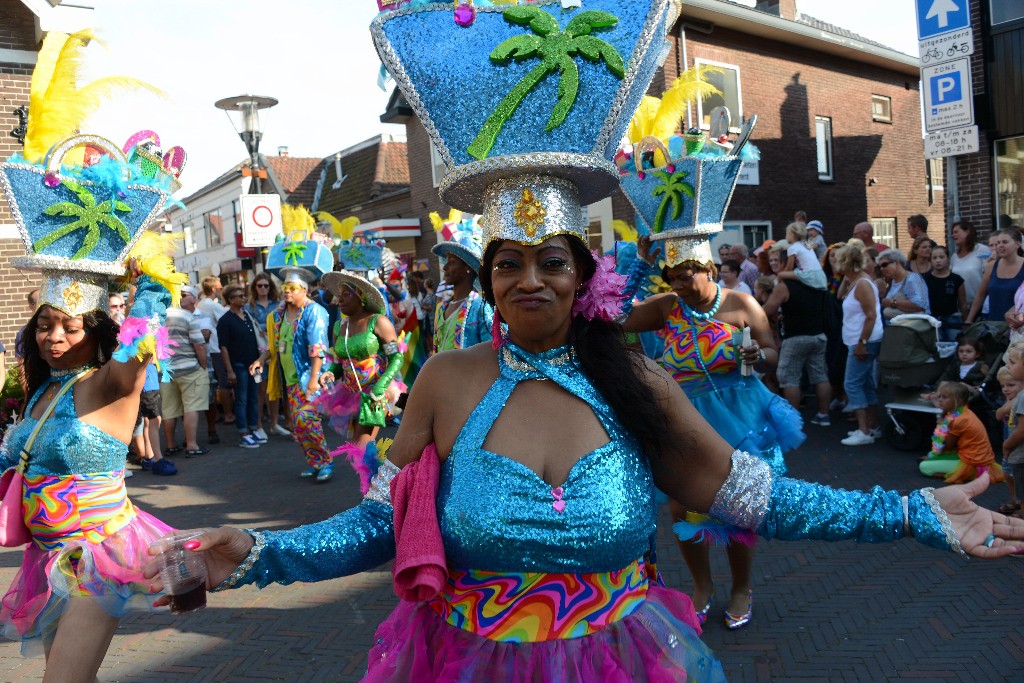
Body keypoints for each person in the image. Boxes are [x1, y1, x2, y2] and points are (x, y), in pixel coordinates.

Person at [624, 235, 801, 631]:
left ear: (710, 271)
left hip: (739, 418)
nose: (680, 287)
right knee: (682, 508)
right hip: (684, 421)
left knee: (736, 508)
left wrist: (757, 356)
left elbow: (772, 352)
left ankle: (741, 588)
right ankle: (701, 586)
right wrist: (639, 264)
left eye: (687, 277)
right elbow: (615, 316)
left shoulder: (741, 304)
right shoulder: (668, 308)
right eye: (673, 280)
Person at [315, 271, 404, 490]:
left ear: (361, 297)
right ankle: (381, 488)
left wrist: (381, 387)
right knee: (362, 446)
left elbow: (396, 357)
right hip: (349, 394)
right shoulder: (340, 327)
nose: (340, 299)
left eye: (346, 295)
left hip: (376, 393)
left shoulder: (379, 322)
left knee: (361, 443)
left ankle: (377, 489)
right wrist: (330, 373)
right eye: (339, 295)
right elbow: (339, 361)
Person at [248, 268, 331, 480]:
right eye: (285, 287)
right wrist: (261, 360)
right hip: (290, 380)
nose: (287, 292)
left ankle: (325, 463)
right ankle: (315, 462)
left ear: (305, 290)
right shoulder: (278, 315)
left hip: (310, 377)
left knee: (306, 420)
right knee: (298, 426)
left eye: (292, 288)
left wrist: (313, 380)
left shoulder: (314, 312)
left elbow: (317, 349)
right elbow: (275, 346)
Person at [762, 274, 832, 426]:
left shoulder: (785, 286)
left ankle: (792, 421)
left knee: (789, 378)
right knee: (820, 376)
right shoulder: (816, 281)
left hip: (795, 337)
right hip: (818, 335)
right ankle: (824, 415)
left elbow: (768, 309)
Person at [837, 244, 884, 446]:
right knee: (865, 384)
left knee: (852, 384)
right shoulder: (856, 281)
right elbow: (840, 296)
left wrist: (861, 342)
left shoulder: (863, 283)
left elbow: (871, 315)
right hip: (859, 340)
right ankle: (873, 427)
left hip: (863, 341)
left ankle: (864, 430)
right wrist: (847, 278)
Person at [160, 286, 210, 458]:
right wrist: (202, 365)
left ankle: (170, 445)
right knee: (192, 407)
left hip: (167, 370)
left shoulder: (158, 316)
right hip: (189, 368)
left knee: (169, 409)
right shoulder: (186, 316)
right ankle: (191, 445)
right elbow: (199, 344)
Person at [921, 381, 1005, 484]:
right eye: (940, 397)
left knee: (924, 467)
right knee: (929, 459)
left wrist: (941, 423)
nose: (940, 400)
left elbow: (948, 446)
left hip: (973, 462)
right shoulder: (961, 412)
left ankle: (967, 474)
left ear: (958, 401)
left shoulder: (959, 420)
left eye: (945, 397)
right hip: (967, 455)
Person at [218, 284, 263, 449]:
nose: (243, 298)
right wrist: (229, 370)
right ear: (231, 300)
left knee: (253, 397)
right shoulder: (225, 321)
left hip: (253, 363)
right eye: (239, 296)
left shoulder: (247, 316)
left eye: (243, 296)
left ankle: (253, 429)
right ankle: (243, 433)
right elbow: (223, 347)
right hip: (238, 365)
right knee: (241, 399)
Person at [431, 233, 493, 353]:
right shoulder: (442, 308)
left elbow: (492, 352)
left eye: (452, 262)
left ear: (468, 268)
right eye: (446, 261)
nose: (445, 267)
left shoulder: (480, 307)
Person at [245, 272, 288, 439]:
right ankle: (258, 425)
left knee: (275, 388)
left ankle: (274, 423)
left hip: (275, 349)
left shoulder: (277, 304)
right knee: (260, 389)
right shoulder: (249, 306)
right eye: (259, 285)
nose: (263, 288)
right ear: (254, 288)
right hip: (257, 351)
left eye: (266, 285)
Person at [197, 275, 232, 441]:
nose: (221, 290)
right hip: (215, 347)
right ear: (213, 289)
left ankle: (219, 414)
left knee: (215, 382)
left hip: (211, 346)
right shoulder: (210, 304)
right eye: (219, 288)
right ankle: (228, 414)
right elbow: (227, 315)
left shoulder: (203, 303)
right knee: (222, 381)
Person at [966, 228, 1024, 325]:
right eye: (998, 243)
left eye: (1005, 242)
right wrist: (969, 319)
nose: (1000, 246)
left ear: (1018, 244)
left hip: (1018, 325)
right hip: (994, 325)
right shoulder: (991, 266)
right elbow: (980, 295)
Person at [924, 245, 967, 342]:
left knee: (954, 345)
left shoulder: (956, 279)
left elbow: (962, 303)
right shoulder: (925, 279)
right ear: (930, 261)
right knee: (936, 347)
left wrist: (966, 321)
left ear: (948, 259)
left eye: (941, 257)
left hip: (952, 318)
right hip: (932, 319)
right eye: (934, 258)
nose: (938, 260)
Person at [922, 339, 989, 401]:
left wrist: (980, 385)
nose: (964, 354)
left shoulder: (981, 365)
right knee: (944, 383)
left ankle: (936, 397)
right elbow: (945, 377)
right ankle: (937, 395)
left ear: (977, 354)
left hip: (972, 390)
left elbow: (989, 380)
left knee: (961, 384)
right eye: (961, 351)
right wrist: (937, 388)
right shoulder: (956, 365)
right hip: (956, 390)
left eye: (968, 352)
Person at [994, 365, 1021, 514]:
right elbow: (998, 415)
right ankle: (1015, 500)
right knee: (1007, 473)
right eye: (1003, 386)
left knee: (1019, 476)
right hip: (1008, 443)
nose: (1006, 389)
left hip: (1016, 445)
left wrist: (1007, 406)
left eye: (1011, 385)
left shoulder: (1019, 400)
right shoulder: (1009, 400)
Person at [950, 220, 991, 312]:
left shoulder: (982, 250)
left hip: (980, 305)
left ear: (967, 231)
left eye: (956, 232)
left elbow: (989, 275)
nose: (953, 236)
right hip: (961, 307)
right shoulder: (954, 257)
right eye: (952, 233)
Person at [878, 249, 929, 320]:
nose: (881, 269)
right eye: (880, 266)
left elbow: (920, 304)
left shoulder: (912, 279)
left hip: (913, 328)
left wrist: (893, 302)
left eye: (884, 265)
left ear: (896, 262)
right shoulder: (891, 282)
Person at [776, 221, 826, 290]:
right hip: (819, 274)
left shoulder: (792, 248)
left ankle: (774, 287)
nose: (786, 236)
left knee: (780, 275)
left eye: (787, 234)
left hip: (808, 274)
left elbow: (789, 267)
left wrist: (783, 274)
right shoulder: (806, 244)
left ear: (792, 234)